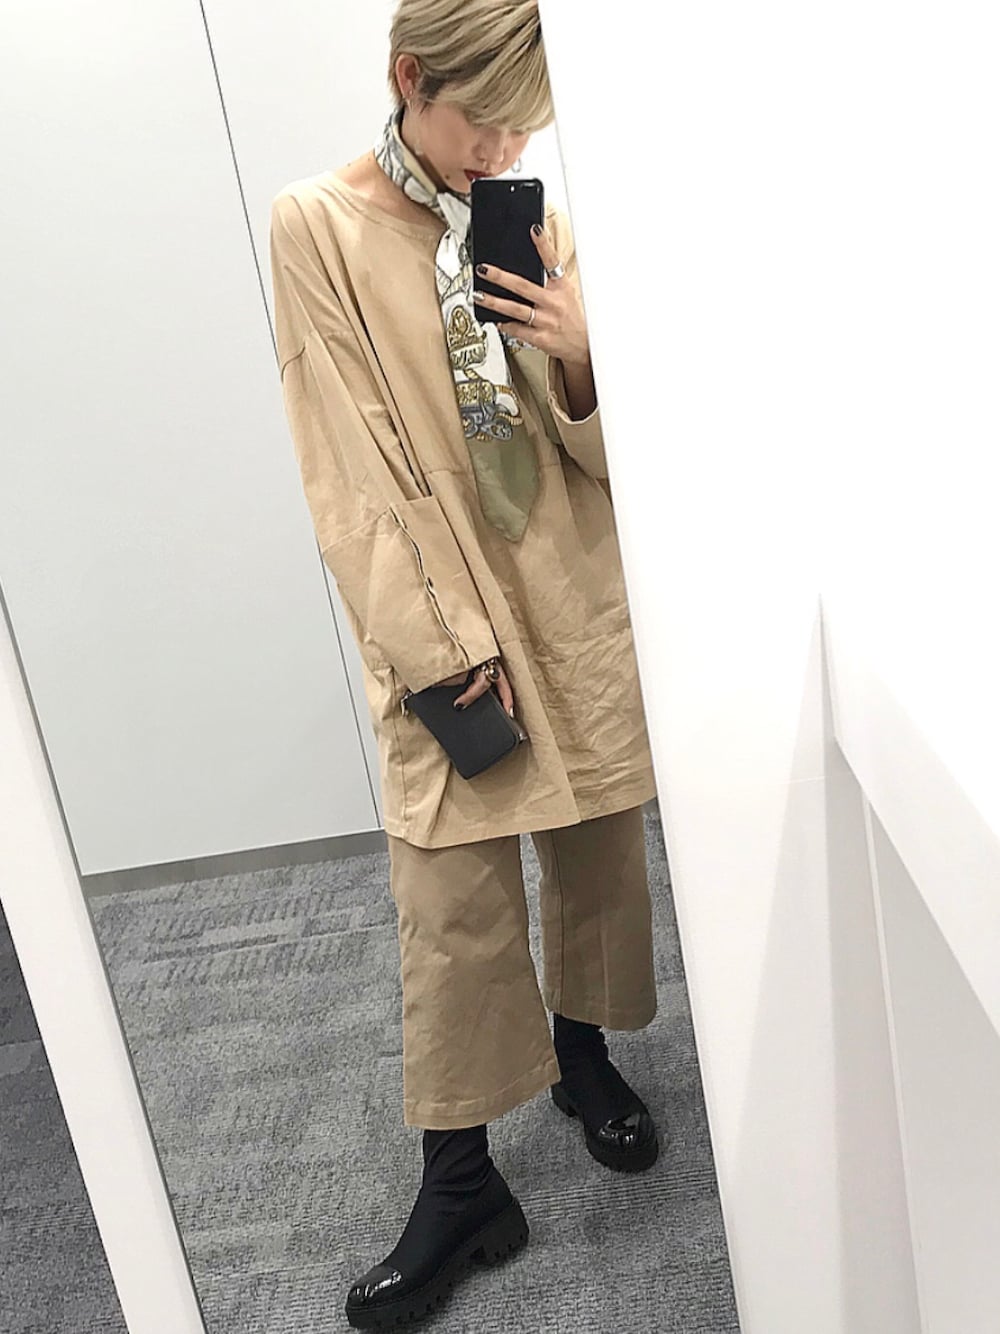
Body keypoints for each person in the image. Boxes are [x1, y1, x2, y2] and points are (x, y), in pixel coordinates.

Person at [269, 1, 661, 1326]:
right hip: (441, 603)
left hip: (566, 580)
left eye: (523, 128)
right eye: (483, 121)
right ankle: (460, 1178)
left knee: (595, 847)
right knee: (450, 896)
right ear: (407, 77)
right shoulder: (318, 226)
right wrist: (438, 649)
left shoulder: (532, 217)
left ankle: (582, 1056)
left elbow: (599, 451)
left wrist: (584, 357)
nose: (503, 151)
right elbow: (346, 460)